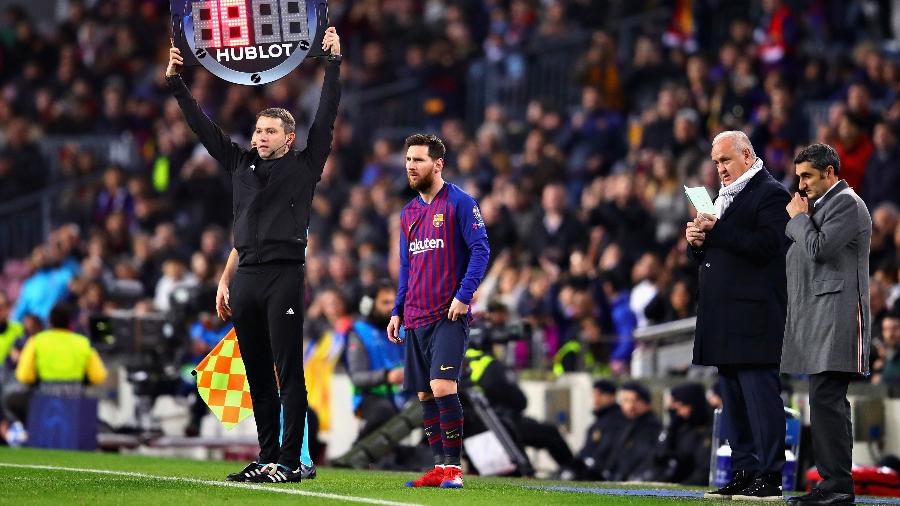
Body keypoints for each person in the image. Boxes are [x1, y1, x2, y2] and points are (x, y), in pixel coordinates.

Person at [165, 28, 342, 483]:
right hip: (244, 276)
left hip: (283, 275)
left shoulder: (306, 164)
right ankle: (267, 459)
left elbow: (326, 115)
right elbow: (203, 128)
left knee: (288, 372)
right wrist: (177, 84)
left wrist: (332, 64)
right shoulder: (240, 163)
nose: (260, 136)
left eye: (270, 131)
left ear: (288, 138)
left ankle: (289, 461)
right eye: (259, 129)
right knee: (258, 375)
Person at [686, 130, 790, 500]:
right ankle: (745, 471)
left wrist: (717, 232)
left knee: (760, 398)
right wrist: (698, 245)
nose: (720, 169)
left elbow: (769, 246)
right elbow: (723, 252)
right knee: (732, 398)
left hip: (755, 317)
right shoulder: (723, 199)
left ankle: (771, 476)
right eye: (715, 162)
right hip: (724, 315)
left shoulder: (772, 194)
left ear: (747, 155)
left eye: (725, 160)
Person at [387, 134, 490, 489]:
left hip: (448, 315)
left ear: (438, 163)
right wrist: (396, 310)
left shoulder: (461, 203)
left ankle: (455, 470)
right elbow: (407, 267)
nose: (411, 167)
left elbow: (480, 250)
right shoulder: (409, 213)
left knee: (442, 384)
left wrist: (464, 296)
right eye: (408, 160)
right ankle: (439, 467)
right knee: (424, 394)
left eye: (418, 160)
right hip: (413, 315)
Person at [782, 143, 872, 506]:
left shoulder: (847, 203)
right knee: (824, 400)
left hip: (840, 312)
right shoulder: (820, 205)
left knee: (827, 399)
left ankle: (837, 486)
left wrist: (797, 220)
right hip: (821, 312)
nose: (801, 184)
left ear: (830, 172)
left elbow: (818, 248)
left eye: (807, 176)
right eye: (799, 176)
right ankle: (832, 483)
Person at [3, 303, 107, 426]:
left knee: (10, 399)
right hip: (74, 397)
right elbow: (99, 376)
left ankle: (30, 430)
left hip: (43, 396)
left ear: (50, 321)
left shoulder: (37, 341)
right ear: (70, 322)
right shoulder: (83, 343)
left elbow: (24, 375)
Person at [346, 281, 407, 439]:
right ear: (369, 305)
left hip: (405, 395)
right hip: (370, 398)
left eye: (394, 302)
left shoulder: (403, 330)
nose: (392, 307)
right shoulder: (358, 333)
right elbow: (357, 377)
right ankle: (358, 452)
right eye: (385, 302)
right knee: (384, 411)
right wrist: (387, 376)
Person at [598, 381, 662, 482]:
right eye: (625, 401)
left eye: (634, 401)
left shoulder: (651, 428)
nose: (630, 406)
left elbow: (641, 458)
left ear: (646, 403)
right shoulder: (625, 424)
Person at [652, 382, 713, 485]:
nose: (677, 411)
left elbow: (703, 469)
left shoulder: (709, 429)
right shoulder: (681, 426)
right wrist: (672, 425)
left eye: (679, 406)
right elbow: (660, 455)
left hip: (693, 483)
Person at [564, 379, 624, 480]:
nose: (596, 399)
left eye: (600, 395)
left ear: (612, 397)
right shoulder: (597, 423)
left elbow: (606, 452)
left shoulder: (617, 422)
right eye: (594, 395)